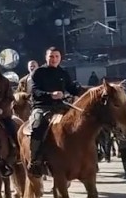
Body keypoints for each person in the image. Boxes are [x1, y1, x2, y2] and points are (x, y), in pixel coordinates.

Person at [25, 47, 87, 176]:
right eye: (51, 56)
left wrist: (87, 92)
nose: (54, 59)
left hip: (61, 106)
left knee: (81, 122)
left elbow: (72, 88)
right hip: (42, 107)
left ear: (60, 58)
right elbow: (35, 91)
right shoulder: (38, 72)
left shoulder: (63, 73)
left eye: (56, 56)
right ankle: (35, 160)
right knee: (37, 125)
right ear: (46, 57)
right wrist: (50, 95)